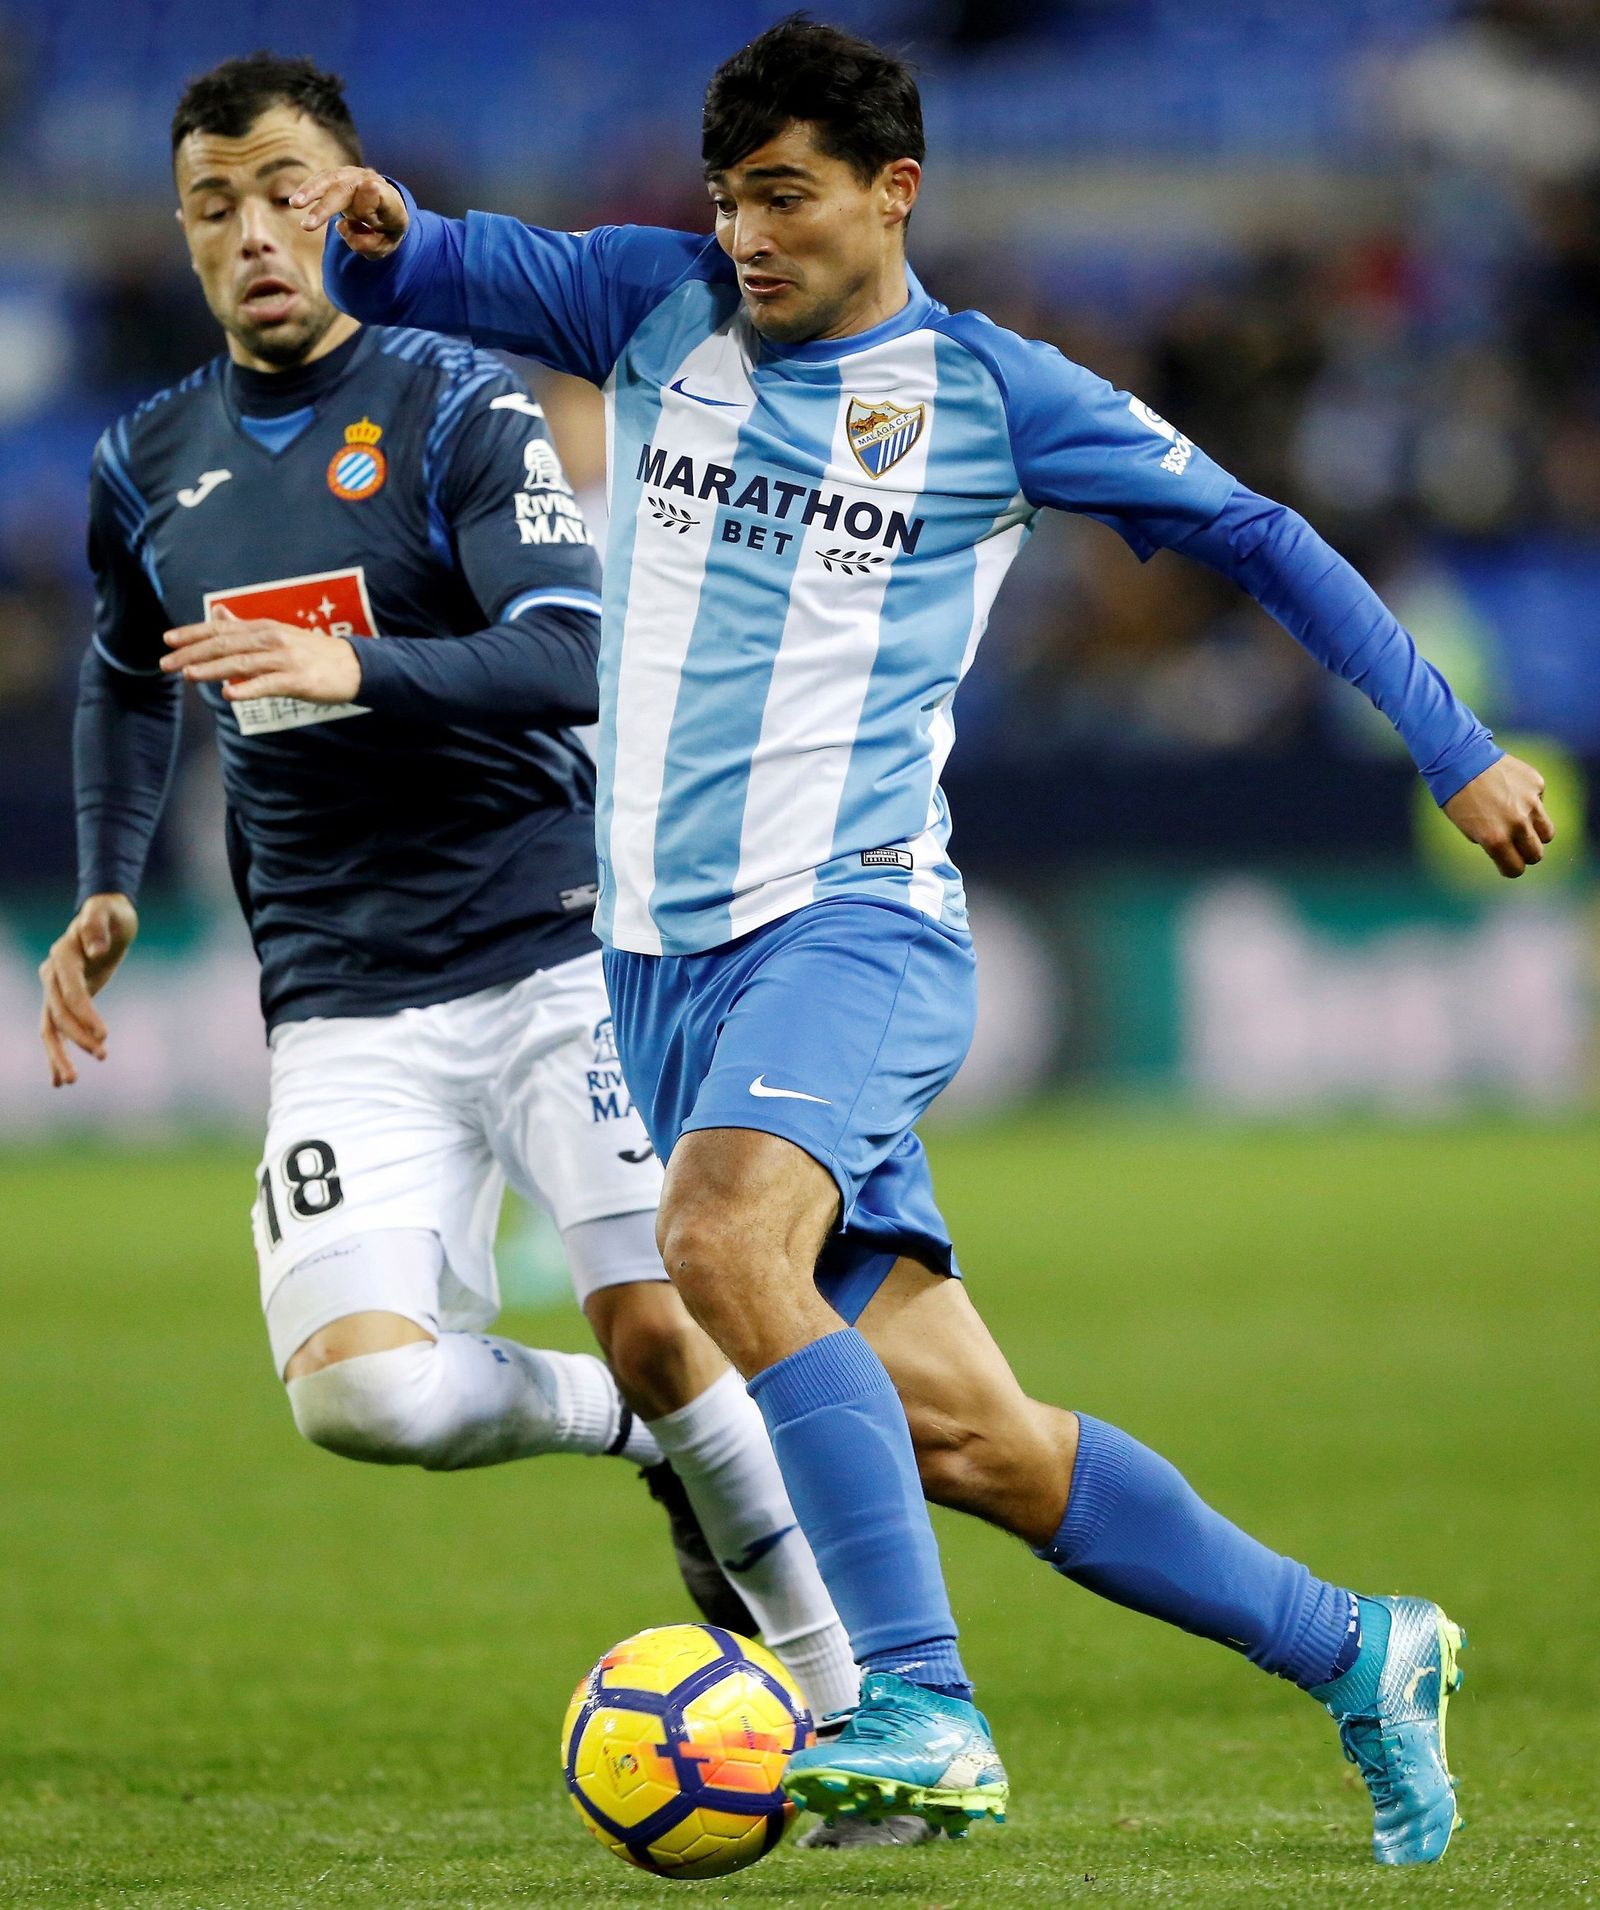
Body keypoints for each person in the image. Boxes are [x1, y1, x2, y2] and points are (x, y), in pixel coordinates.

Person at [298, 16, 1553, 1864]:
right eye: (730, 199)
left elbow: (1262, 534)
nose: (750, 235)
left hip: (856, 924)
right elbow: (430, 258)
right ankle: (1362, 1647)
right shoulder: (653, 305)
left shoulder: (993, 394)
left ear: (895, 192)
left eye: (788, 197)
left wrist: (1452, 745)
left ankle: (923, 1701)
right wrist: (370, 230)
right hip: (664, 968)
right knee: (968, 1436)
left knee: (717, 1237)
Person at [36, 52, 863, 1749]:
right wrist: (105, 885)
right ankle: (645, 1441)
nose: (254, 233)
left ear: (351, 203)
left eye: (285, 191)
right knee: (363, 1396)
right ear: (184, 237)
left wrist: (350, 662)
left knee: (664, 1309)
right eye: (214, 205)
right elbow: (125, 675)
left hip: (552, 943)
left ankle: (853, 1704)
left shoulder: (458, 400)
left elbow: (571, 655)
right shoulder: (145, 459)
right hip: (341, 992)